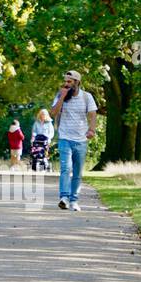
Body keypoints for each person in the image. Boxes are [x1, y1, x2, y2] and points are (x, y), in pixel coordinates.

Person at [51, 69, 97, 210]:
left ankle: (73, 201)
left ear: (77, 82)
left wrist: (91, 129)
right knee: (66, 168)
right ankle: (64, 197)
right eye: (65, 81)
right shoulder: (61, 95)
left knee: (77, 172)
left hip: (81, 140)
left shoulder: (86, 97)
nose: (66, 84)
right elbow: (53, 113)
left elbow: (93, 114)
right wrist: (62, 97)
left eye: (69, 82)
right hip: (65, 137)